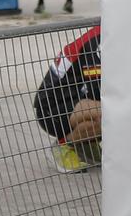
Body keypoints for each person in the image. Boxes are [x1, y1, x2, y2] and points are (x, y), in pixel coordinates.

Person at [34, 24, 101, 174]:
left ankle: (86, 145)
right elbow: (99, 90)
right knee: (110, 112)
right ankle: (62, 145)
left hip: (76, 101)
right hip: (51, 109)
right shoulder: (97, 41)